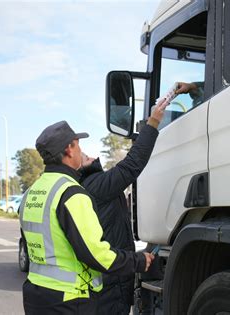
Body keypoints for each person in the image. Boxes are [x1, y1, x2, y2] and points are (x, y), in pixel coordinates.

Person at [19, 121, 155, 314]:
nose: (82, 150)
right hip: (69, 300)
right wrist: (138, 261)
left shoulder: (32, 193)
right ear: (69, 149)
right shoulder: (71, 194)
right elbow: (96, 255)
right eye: (78, 145)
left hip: (37, 296)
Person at [79, 98, 170, 314]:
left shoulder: (91, 185)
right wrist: (153, 124)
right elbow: (131, 165)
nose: (90, 154)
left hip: (109, 276)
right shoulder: (95, 185)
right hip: (113, 279)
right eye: (83, 155)